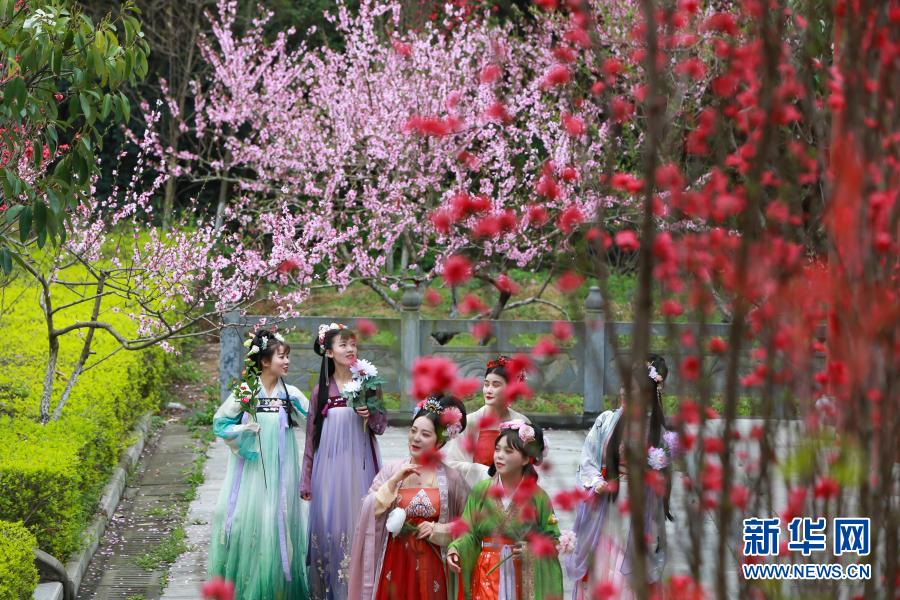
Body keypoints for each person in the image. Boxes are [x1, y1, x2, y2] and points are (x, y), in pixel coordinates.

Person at [208, 329, 310, 599]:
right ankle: (245, 585)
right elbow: (221, 423)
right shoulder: (246, 392)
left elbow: (314, 422)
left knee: (277, 519)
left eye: (287, 356)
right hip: (251, 472)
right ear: (265, 361)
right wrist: (243, 431)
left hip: (281, 470)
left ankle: (276, 588)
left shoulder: (290, 394)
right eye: (281, 356)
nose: (287, 361)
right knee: (245, 520)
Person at [565, 354, 675, 599]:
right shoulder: (606, 421)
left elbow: (662, 477)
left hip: (640, 507)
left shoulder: (657, 431)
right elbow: (588, 460)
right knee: (603, 560)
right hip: (606, 504)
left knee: (632, 563)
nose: (625, 391)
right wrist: (597, 482)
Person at [348, 394, 471, 600]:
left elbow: (468, 524)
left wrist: (438, 529)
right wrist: (394, 481)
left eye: (425, 434)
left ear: (439, 441)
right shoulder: (392, 470)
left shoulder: (452, 479)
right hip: (395, 563)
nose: (416, 438)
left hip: (432, 566)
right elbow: (368, 509)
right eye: (413, 430)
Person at [301, 323, 387, 599]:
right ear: (329, 352)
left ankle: (360, 589)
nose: (350, 349)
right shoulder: (321, 391)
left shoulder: (368, 384)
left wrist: (369, 415)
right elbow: (312, 437)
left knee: (358, 523)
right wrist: (306, 478)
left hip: (360, 467)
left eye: (353, 344)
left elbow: (381, 426)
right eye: (343, 345)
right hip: (329, 470)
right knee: (332, 526)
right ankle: (332, 589)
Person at [447, 421, 564, 599]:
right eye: (497, 449)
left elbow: (553, 540)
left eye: (508, 451)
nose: (499, 456)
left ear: (526, 459)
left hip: (522, 576)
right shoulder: (481, 491)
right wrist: (456, 548)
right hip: (486, 573)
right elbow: (468, 532)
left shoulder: (539, 497)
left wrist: (531, 550)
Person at [444, 356, 530, 487]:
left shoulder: (521, 423)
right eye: (486, 384)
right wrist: (483, 472)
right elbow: (451, 464)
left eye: (496, 385)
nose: (488, 390)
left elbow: (530, 466)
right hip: (474, 492)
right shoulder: (470, 422)